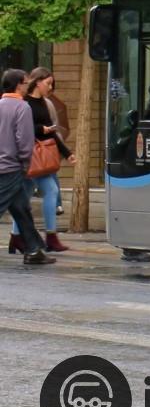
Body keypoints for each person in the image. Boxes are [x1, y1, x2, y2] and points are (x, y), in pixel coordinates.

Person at [0, 68, 55, 265]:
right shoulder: (22, 107)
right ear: (18, 85)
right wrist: (25, 162)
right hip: (12, 166)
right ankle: (33, 249)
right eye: (25, 83)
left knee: (21, 208)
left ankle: (33, 249)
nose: (27, 86)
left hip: (3, 164)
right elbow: (24, 140)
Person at [18, 68, 73, 252]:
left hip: (41, 157)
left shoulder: (44, 103)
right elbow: (22, 129)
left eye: (52, 84)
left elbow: (53, 132)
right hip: (29, 156)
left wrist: (67, 153)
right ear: (37, 82)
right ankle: (36, 237)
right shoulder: (24, 103)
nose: (50, 87)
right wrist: (41, 129)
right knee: (29, 196)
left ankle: (43, 236)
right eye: (48, 83)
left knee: (39, 193)